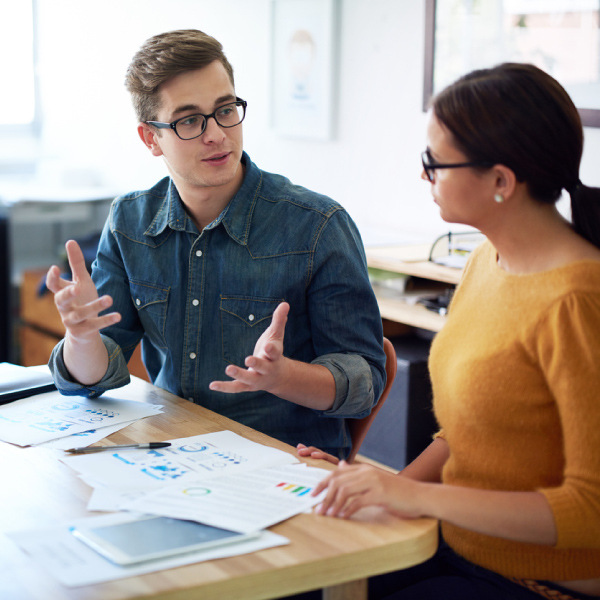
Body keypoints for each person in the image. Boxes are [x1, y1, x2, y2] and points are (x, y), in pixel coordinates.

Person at [305, 63, 600, 599]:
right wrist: (387, 487)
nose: (425, 176)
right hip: (454, 545)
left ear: (501, 181)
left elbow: (591, 512)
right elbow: (471, 433)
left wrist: (419, 500)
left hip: (535, 583)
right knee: (301, 575)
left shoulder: (577, 303)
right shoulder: (487, 260)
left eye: (433, 162)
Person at [45, 29, 386, 458]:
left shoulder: (318, 227)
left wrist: (282, 377)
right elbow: (95, 379)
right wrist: (80, 338)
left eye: (225, 110)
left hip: (283, 465)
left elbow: (365, 383)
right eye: (189, 120)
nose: (216, 135)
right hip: (170, 455)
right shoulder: (130, 221)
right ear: (151, 138)